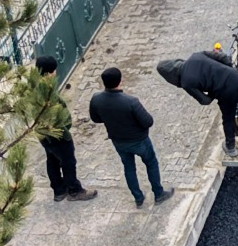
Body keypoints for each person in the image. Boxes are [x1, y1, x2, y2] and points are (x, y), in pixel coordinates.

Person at [88, 66, 168, 207]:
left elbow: (96, 119)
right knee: (151, 163)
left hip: (118, 142)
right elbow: (148, 121)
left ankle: (138, 198)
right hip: (140, 141)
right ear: (120, 81)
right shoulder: (131, 101)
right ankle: (158, 193)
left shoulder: (96, 99)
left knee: (129, 168)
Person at [157, 46, 238, 153]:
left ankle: (231, 147)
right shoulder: (195, 57)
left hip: (225, 93)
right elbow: (222, 56)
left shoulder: (186, 83)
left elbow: (205, 101)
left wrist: (213, 91)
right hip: (237, 80)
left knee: (228, 119)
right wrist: (230, 70)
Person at [30, 54, 96, 202]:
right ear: (48, 73)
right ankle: (74, 190)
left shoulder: (35, 86)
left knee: (52, 159)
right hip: (56, 134)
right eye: (54, 71)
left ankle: (59, 190)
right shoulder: (46, 92)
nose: (56, 73)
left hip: (42, 134)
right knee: (68, 161)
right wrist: (66, 134)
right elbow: (55, 117)